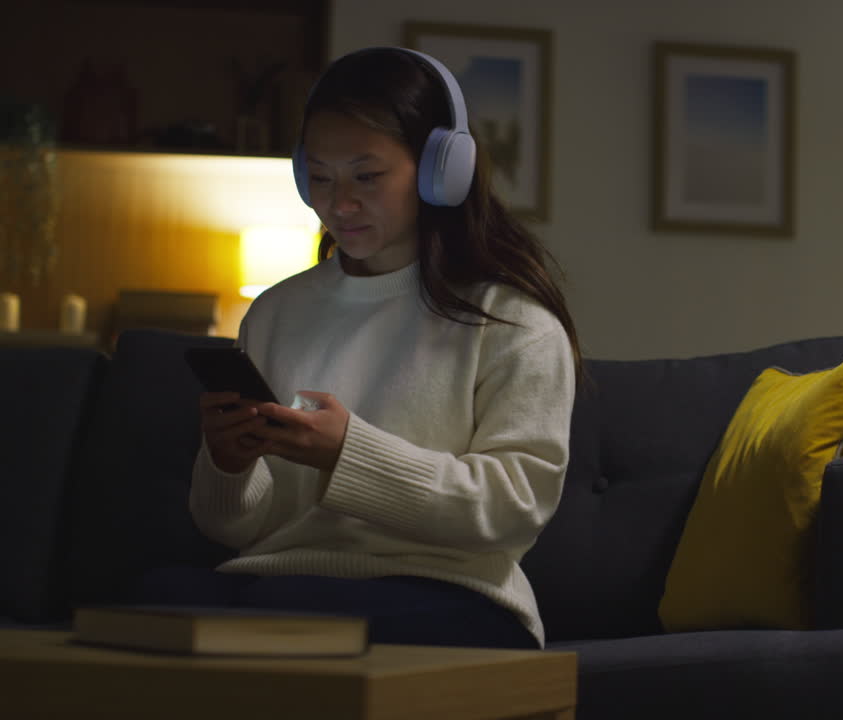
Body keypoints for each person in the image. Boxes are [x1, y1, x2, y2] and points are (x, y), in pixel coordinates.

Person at [147, 47, 581, 650]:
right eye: (319, 177)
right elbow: (232, 529)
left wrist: (348, 453)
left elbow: (513, 506)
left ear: (440, 170)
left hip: (450, 592)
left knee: (265, 622)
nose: (339, 203)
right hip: (283, 584)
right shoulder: (276, 312)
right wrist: (228, 465)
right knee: (157, 598)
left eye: (366, 176)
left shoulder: (513, 321)